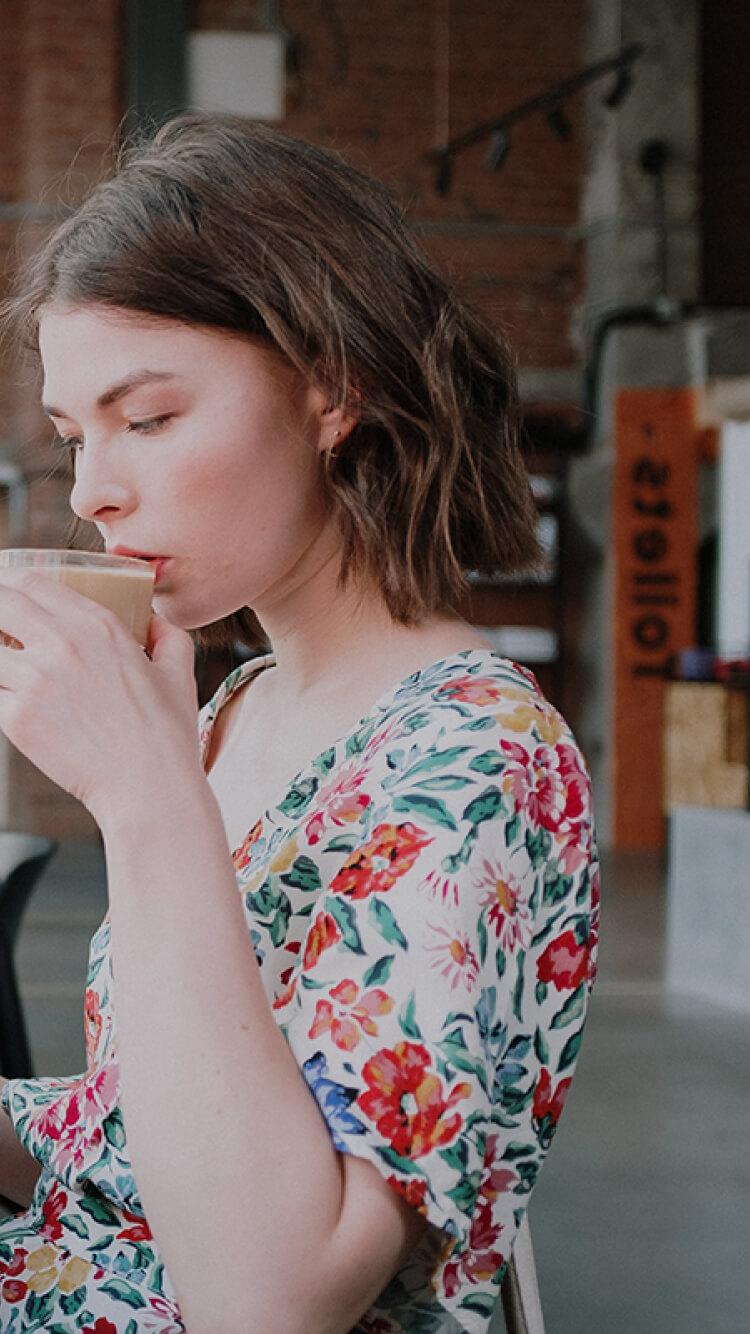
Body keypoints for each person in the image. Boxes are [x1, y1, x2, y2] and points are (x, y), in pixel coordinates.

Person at [0, 113, 598, 1334]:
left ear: (332, 386)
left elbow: (268, 1298)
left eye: (149, 417)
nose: (91, 489)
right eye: (76, 436)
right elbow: (148, 1134)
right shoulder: (239, 706)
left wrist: (142, 791)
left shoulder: (477, 758)